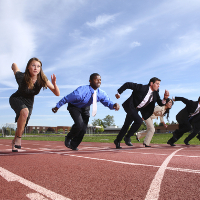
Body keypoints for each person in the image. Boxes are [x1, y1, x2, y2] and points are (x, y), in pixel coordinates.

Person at [52, 73, 120, 150]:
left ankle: (74, 145)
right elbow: (67, 98)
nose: (99, 81)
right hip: (74, 106)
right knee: (79, 124)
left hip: (85, 107)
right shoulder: (80, 92)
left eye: (100, 80)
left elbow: (107, 102)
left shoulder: (101, 93)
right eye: (96, 79)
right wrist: (57, 106)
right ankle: (69, 137)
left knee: (83, 129)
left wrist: (113, 105)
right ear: (90, 81)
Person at [10, 57, 60, 152]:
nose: (36, 68)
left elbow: (57, 93)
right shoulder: (22, 77)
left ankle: (14, 141)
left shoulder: (42, 79)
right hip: (16, 98)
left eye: (38, 66)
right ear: (28, 67)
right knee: (24, 112)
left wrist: (54, 84)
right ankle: (19, 138)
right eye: (33, 65)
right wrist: (13, 64)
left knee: (23, 124)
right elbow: (15, 68)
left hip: (29, 102)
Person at [114, 77, 169, 149]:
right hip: (130, 106)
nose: (159, 86)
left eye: (159, 84)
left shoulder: (155, 93)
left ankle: (117, 140)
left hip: (137, 110)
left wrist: (165, 98)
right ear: (151, 83)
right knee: (139, 121)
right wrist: (119, 93)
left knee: (126, 125)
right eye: (157, 84)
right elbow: (128, 84)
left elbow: (160, 103)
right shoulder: (142, 87)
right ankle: (127, 137)